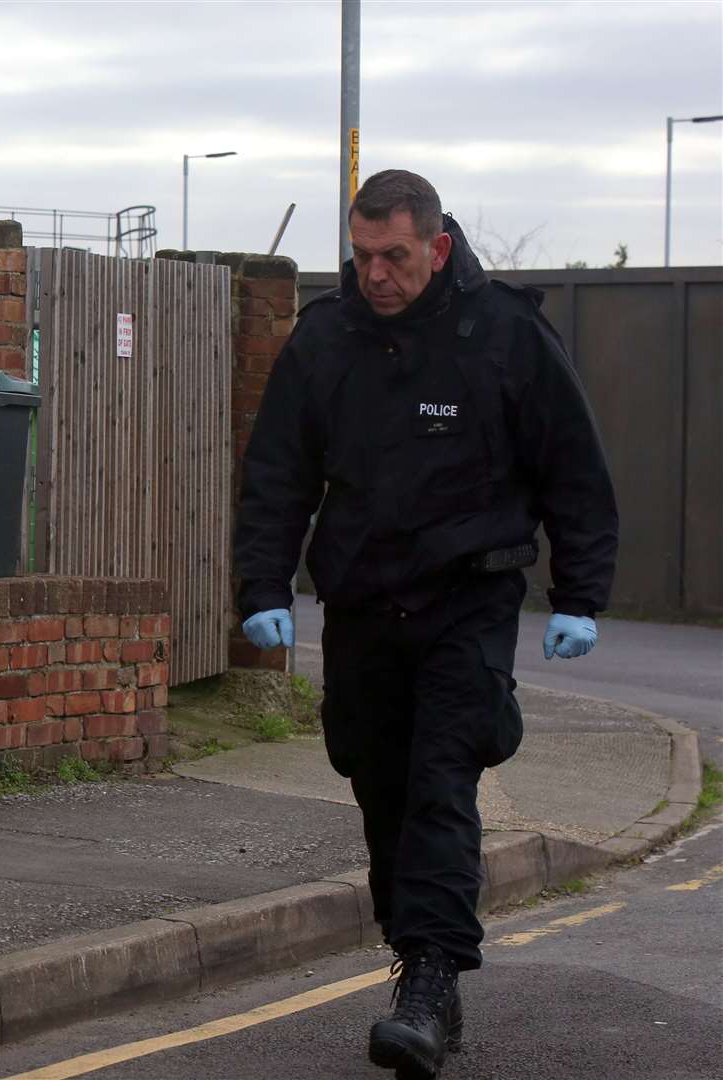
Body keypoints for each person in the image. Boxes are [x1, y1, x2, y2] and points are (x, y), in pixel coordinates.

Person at [233, 169, 617, 1079]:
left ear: (435, 248)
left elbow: (574, 470)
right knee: (380, 789)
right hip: (363, 605)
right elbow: (278, 473)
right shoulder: (325, 341)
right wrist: (260, 585)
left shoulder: (505, 336)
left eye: (394, 256)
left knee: (440, 784)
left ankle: (430, 984)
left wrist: (580, 597)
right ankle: (416, 960)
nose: (376, 274)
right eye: (362, 257)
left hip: (466, 602)